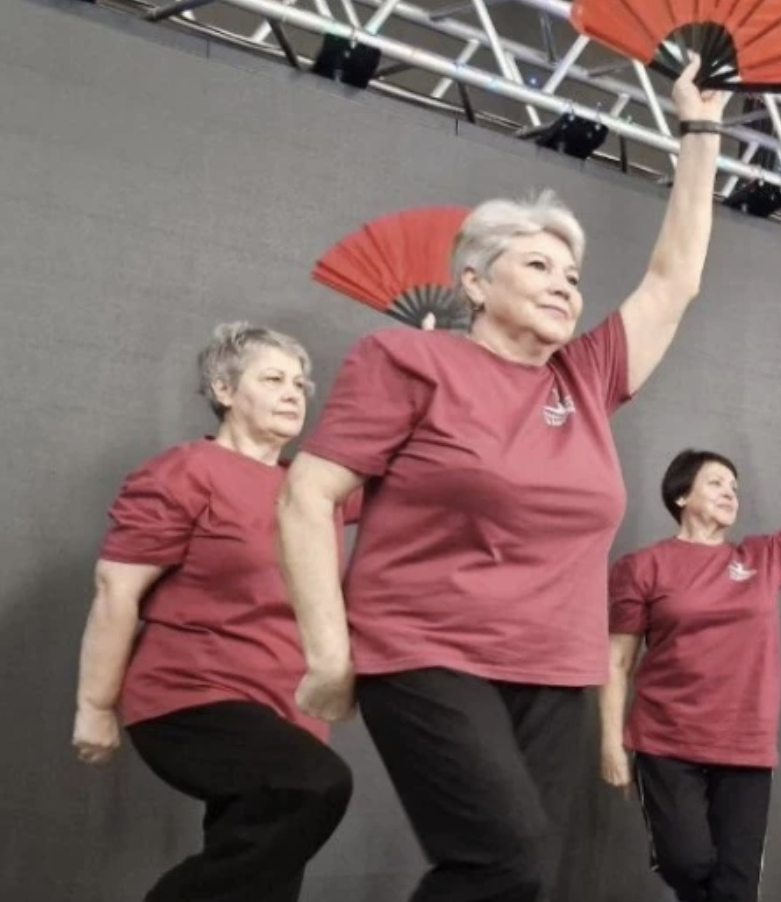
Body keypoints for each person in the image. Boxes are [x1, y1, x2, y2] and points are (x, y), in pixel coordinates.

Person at [275, 59, 732, 902]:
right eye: (537, 267)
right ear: (475, 284)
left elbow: (675, 282)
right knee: (503, 861)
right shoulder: (408, 360)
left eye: (572, 276)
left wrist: (700, 131)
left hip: (554, 665)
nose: (564, 286)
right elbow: (307, 496)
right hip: (425, 648)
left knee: (520, 881)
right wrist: (330, 653)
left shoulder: (585, 378)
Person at [72, 322, 354, 902]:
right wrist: (94, 707)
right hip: (191, 698)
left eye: (300, 384)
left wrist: (427, 370)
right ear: (224, 390)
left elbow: (413, 464)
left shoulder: (313, 490)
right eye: (272, 379)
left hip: (289, 711)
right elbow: (115, 590)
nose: (293, 394)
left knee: (264, 882)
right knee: (313, 786)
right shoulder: (184, 473)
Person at [596, 395, 781, 902]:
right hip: (667, 741)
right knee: (688, 861)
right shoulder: (642, 567)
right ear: (681, 495)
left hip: (745, 745)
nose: (730, 493)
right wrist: (610, 741)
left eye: (734, 487)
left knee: (735, 889)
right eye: (716, 482)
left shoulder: (763, 557)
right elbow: (617, 660)